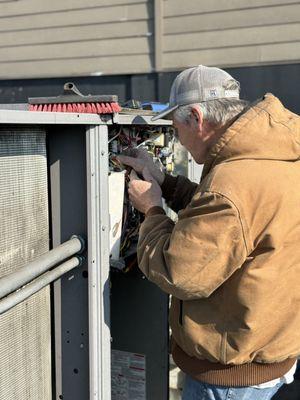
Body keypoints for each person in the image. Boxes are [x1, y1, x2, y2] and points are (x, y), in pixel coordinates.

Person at [118, 65, 300, 400]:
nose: (179, 142)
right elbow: (236, 222)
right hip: (271, 351)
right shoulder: (275, 155)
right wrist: (166, 183)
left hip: (230, 377)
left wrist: (152, 210)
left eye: (176, 129)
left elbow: (179, 272)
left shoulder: (232, 182)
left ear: (197, 119)